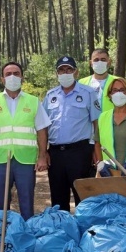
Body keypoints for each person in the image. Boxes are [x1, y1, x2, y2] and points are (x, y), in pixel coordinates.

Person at [0, 62, 50, 220]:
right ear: (2, 79)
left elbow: (41, 131)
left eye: (16, 73)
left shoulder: (33, 101)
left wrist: (42, 156)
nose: (12, 77)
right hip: (0, 159)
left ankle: (26, 233)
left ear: (22, 77)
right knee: (0, 203)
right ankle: (1, 234)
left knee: (26, 201)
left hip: (25, 159)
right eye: (8, 74)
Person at [43, 56, 101, 210]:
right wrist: (43, 152)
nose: (65, 73)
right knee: (58, 197)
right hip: (55, 153)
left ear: (76, 72)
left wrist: (96, 150)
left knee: (82, 197)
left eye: (69, 69)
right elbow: (43, 127)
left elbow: (96, 124)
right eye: (61, 70)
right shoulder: (50, 96)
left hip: (80, 152)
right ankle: (63, 230)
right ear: (57, 73)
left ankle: (85, 231)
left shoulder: (88, 93)